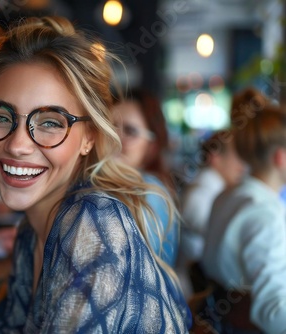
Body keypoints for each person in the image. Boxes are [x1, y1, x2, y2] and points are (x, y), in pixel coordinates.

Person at [0, 16, 190, 332]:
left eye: (50, 122)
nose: (17, 145)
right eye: (1, 117)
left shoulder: (92, 222)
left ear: (89, 138)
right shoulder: (32, 231)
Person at [200, 106, 286, 333]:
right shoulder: (266, 213)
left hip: (219, 321)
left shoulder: (226, 195)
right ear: (281, 157)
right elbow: (273, 312)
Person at [111, 89, 179, 267]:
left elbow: (129, 268)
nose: (114, 138)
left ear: (152, 146)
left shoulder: (149, 192)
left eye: (130, 131)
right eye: (109, 126)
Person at [179, 131, 246, 261]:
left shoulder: (216, 189)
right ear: (215, 157)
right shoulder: (199, 195)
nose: (243, 166)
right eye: (237, 156)